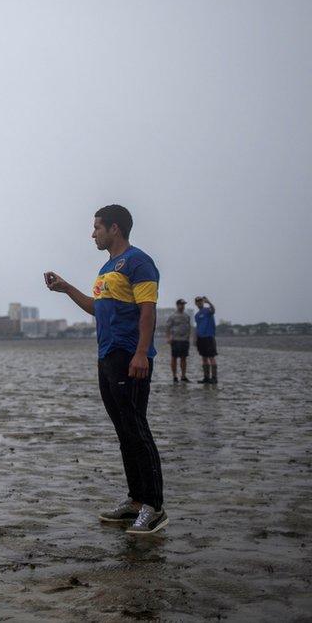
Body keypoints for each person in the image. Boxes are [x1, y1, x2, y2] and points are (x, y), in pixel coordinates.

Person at [44, 204, 167, 535]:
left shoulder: (139, 262)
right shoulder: (106, 268)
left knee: (137, 428)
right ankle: (136, 501)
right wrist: (67, 288)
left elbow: (147, 312)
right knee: (124, 429)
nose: (92, 233)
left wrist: (142, 353)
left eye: (97, 227)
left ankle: (154, 506)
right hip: (107, 355)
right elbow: (96, 309)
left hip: (130, 355)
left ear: (115, 228)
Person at [165, 299, 192, 382]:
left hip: (184, 340)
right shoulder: (172, 316)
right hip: (175, 340)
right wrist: (168, 337)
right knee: (174, 358)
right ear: (177, 305)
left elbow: (189, 327)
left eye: (184, 304)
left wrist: (189, 337)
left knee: (184, 358)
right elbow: (167, 327)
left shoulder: (187, 316)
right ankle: (174, 376)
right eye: (181, 304)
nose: (183, 306)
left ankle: (183, 376)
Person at [194, 296, 218, 384]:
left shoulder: (208, 311)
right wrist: (195, 338)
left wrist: (209, 302)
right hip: (201, 338)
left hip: (209, 337)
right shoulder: (196, 315)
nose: (199, 303)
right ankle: (206, 377)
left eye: (201, 301)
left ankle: (214, 377)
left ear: (203, 302)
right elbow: (197, 327)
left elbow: (214, 310)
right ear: (196, 303)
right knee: (204, 358)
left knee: (211, 357)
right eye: (197, 302)